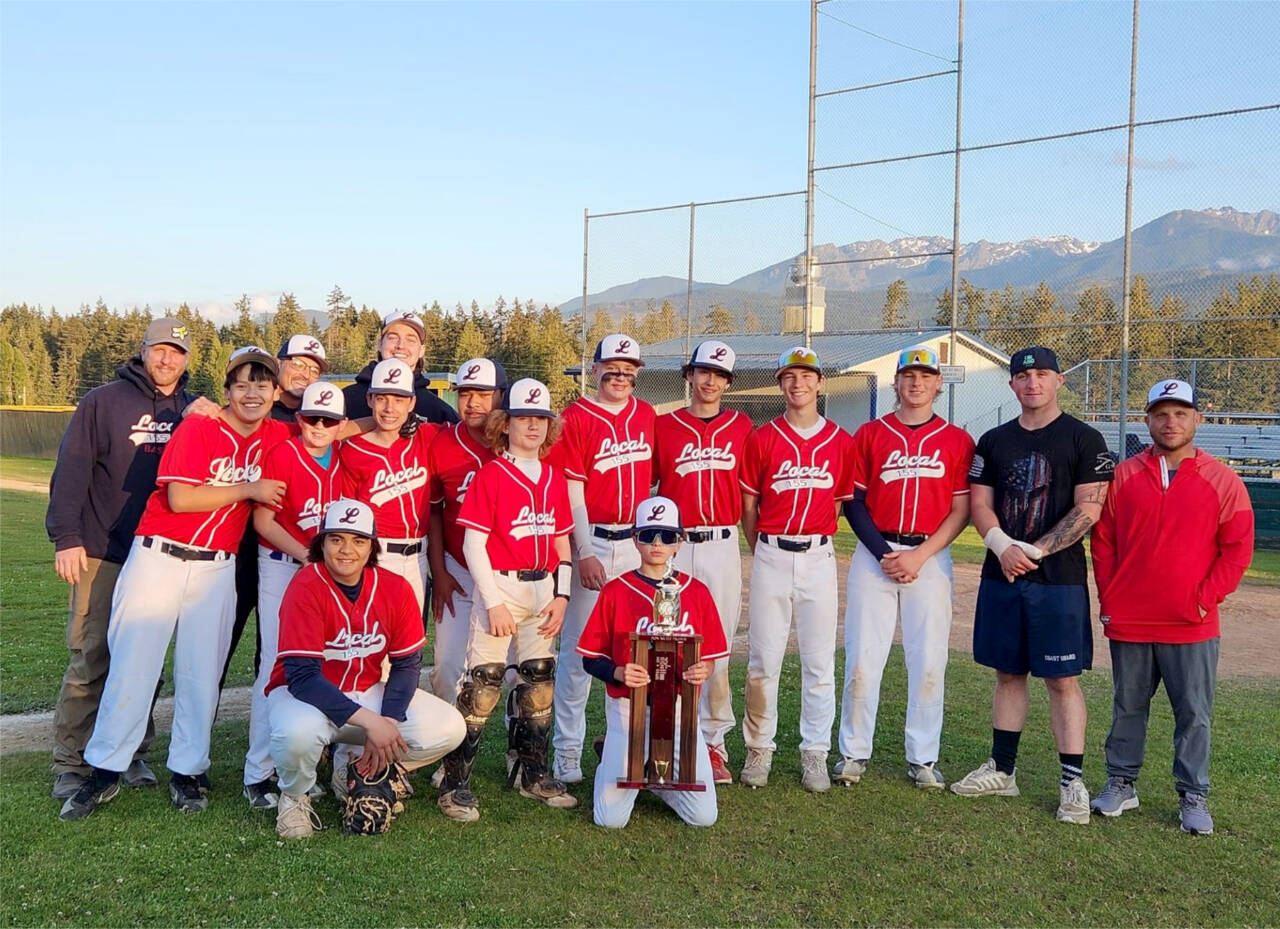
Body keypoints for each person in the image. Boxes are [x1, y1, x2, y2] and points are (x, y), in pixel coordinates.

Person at [60, 346, 292, 820]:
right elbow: (182, 497)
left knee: (201, 674)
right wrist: (249, 488)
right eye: (242, 384)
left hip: (216, 568)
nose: (252, 392)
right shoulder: (200, 425)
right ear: (225, 391)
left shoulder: (275, 434)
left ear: (275, 392)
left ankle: (188, 772)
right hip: (159, 557)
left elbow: (331, 429)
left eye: (262, 384)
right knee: (133, 666)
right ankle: (104, 770)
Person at [950, 346, 1113, 826]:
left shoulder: (1084, 438)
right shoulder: (994, 440)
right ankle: (1002, 769)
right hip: (1001, 573)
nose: (1032, 383)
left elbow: (1089, 508)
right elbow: (981, 504)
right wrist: (1002, 546)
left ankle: (1072, 782)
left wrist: (1036, 551)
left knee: (1062, 680)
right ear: (1012, 385)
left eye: (1042, 375)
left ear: (1059, 381)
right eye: (1023, 376)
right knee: (1008, 672)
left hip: (1057, 580)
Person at [1089, 379, 1254, 835]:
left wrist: (1204, 599)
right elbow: (1103, 544)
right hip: (1132, 620)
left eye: (1181, 413)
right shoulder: (1124, 476)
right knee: (1127, 706)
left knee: (1194, 713)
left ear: (1197, 419)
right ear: (1148, 420)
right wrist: (1111, 597)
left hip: (1192, 623)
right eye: (1161, 413)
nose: (1171, 421)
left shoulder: (1223, 480)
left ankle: (1193, 794)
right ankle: (1122, 782)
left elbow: (1237, 550)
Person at [45, 317, 197, 802]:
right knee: (90, 656)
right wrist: (66, 536)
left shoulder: (192, 409)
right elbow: (71, 470)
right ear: (144, 350)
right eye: (159, 349)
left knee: (143, 656)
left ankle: (131, 752)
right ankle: (70, 761)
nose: (166, 359)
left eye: (176, 352)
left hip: (156, 554)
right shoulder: (103, 401)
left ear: (187, 359)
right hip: (101, 549)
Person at [266, 499, 467, 839]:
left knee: (449, 726)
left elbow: (406, 664)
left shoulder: (395, 588)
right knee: (296, 734)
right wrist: (372, 722)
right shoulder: (305, 585)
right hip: (305, 697)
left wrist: (387, 721)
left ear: (372, 546)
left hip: (368, 690)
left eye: (358, 541)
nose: (346, 550)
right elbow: (302, 677)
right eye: (336, 539)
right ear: (322, 542)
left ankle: (359, 771)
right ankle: (295, 796)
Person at [436, 378, 577, 821]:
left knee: (538, 682)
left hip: (543, 589)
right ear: (506, 424)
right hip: (501, 585)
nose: (533, 426)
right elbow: (474, 544)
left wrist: (563, 595)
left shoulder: (553, 476)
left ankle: (531, 774)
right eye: (523, 418)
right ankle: (455, 784)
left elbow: (561, 542)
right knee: (483, 686)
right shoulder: (493, 473)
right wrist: (493, 602)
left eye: (541, 418)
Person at [835, 346, 975, 790]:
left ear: (938, 383)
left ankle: (923, 758)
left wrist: (918, 555)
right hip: (875, 555)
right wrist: (882, 553)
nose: (916, 383)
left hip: (929, 557)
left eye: (925, 376)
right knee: (862, 657)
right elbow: (853, 503)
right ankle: (854, 752)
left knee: (929, 658)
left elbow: (961, 509)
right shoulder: (870, 434)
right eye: (908, 375)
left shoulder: (957, 440)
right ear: (896, 382)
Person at [738, 347, 855, 792]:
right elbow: (749, 504)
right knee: (763, 660)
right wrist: (763, 548)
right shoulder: (763, 438)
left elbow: (841, 504)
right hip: (770, 552)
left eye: (806, 377)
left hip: (819, 556)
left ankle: (814, 753)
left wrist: (810, 542)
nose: (798, 384)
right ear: (781, 383)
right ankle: (759, 749)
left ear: (820, 383)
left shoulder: (841, 441)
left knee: (819, 662)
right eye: (790, 377)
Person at [576, 496, 729, 828]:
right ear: (635, 540)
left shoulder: (697, 592)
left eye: (666, 535)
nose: (657, 543)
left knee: (704, 816)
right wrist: (617, 671)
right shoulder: (616, 591)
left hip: (680, 712)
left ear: (679, 541)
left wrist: (706, 668)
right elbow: (590, 658)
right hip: (628, 712)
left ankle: (651, 779)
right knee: (611, 820)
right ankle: (612, 762)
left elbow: (711, 655)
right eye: (648, 535)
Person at [548, 334, 655, 784]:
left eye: (629, 369)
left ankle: (630, 745)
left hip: (637, 545)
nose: (621, 376)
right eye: (611, 367)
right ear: (594, 371)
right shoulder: (576, 417)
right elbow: (572, 488)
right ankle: (567, 751)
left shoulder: (646, 414)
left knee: (639, 648)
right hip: (592, 543)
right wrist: (585, 550)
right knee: (578, 653)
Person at [241, 381, 348, 809]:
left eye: (329, 420)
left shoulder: (343, 458)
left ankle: (302, 766)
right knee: (277, 663)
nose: (318, 426)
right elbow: (263, 522)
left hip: (325, 572)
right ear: (298, 417)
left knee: (320, 662)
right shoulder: (283, 453)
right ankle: (258, 772)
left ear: (340, 424)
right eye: (310, 418)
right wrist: (307, 555)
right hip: (285, 567)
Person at [650, 339, 752, 784]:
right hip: (677, 546)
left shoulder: (742, 426)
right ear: (689, 375)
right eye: (702, 371)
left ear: (728, 383)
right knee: (667, 642)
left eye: (719, 374)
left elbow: (751, 495)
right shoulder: (664, 426)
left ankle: (713, 743)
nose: (710, 380)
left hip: (723, 543)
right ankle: (663, 736)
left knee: (717, 645)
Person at [223, 335, 330, 693]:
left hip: (279, 548)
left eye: (313, 368)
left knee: (273, 649)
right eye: (298, 363)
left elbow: (339, 427)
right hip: (235, 547)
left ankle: (271, 726)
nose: (305, 372)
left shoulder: (314, 422)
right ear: (278, 363)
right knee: (218, 647)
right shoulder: (255, 406)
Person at [426, 358, 506, 702]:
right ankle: (450, 745)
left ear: (501, 396)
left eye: (482, 394)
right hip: (457, 567)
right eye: (464, 393)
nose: (472, 402)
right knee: (446, 667)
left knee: (511, 670)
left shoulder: (518, 439)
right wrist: (439, 572)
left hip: (507, 573)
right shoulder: (441, 441)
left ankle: (520, 751)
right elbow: (433, 512)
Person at [339, 358, 438, 614]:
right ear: (370, 399)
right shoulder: (352, 449)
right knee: (373, 642)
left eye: (399, 399)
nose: (389, 408)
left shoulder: (426, 437)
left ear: (412, 403)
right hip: (375, 554)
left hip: (418, 556)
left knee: (410, 643)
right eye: (382, 398)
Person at [342, 309, 459, 425]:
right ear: (379, 344)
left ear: (422, 350)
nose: (401, 346)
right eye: (393, 337)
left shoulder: (439, 412)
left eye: (410, 340)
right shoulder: (343, 400)